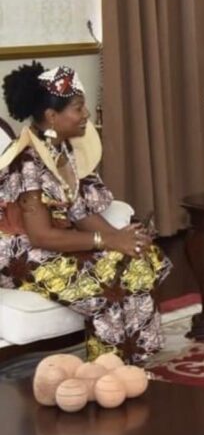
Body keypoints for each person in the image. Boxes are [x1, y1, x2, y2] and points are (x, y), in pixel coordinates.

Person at [0, 62, 172, 364]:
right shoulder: (27, 160)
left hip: (55, 243)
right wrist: (106, 241)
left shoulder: (63, 150)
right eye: (78, 108)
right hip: (20, 252)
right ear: (52, 116)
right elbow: (40, 236)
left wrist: (122, 238)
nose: (86, 114)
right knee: (108, 278)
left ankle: (132, 362)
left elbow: (80, 211)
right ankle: (106, 369)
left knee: (140, 258)